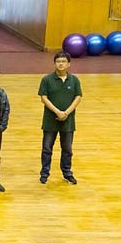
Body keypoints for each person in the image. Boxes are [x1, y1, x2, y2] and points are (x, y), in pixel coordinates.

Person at [38, 51, 82, 185]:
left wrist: (66, 113)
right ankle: (44, 173)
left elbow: (78, 97)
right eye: (58, 61)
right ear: (54, 63)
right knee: (47, 148)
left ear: (69, 64)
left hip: (68, 121)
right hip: (50, 121)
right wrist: (57, 112)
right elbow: (44, 98)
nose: (61, 64)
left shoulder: (74, 80)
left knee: (67, 149)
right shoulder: (47, 79)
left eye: (63, 61)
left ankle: (67, 173)